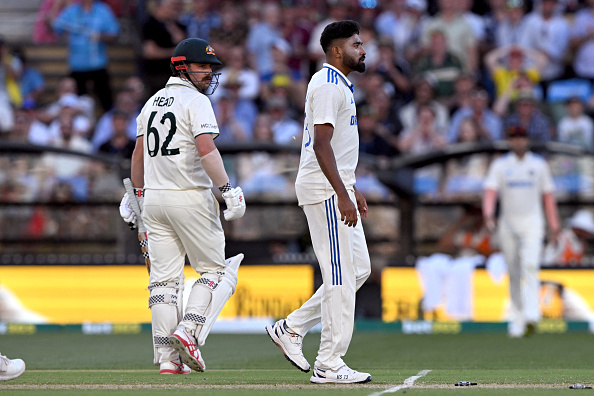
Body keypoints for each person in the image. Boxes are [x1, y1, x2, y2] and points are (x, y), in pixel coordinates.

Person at [118, 38, 246, 374]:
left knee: (163, 282)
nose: (208, 72)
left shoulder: (151, 103)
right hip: (190, 197)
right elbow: (206, 149)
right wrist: (228, 189)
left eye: (210, 67)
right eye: (202, 66)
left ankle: (166, 360)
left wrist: (136, 195)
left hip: (155, 201)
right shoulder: (196, 100)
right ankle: (187, 332)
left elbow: (138, 154)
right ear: (181, 67)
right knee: (215, 272)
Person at [265, 20, 372, 384]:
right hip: (325, 191)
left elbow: (336, 149)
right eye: (357, 44)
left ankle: (291, 328)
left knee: (357, 271)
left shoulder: (337, 84)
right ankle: (329, 362)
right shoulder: (328, 84)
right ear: (337, 50)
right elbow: (321, 145)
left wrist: (352, 187)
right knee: (340, 274)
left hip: (337, 187)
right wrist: (342, 194)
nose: (363, 50)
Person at [482, 125, 560, 338]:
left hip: (533, 224)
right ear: (509, 141)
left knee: (530, 266)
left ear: (527, 140)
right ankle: (517, 317)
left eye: (522, 137)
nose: (518, 142)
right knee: (514, 272)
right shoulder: (500, 165)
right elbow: (490, 192)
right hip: (508, 225)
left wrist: (554, 225)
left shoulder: (539, 165)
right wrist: (488, 215)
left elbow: (548, 197)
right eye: (514, 137)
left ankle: (532, 316)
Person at [52, 0, 120, 112]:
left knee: (106, 102)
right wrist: (56, 6)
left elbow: (114, 33)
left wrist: (100, 36)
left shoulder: (103, 10)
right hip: (77, 66)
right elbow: (55, 27)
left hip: (98, 65)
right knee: (76, 104)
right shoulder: (71, 11)